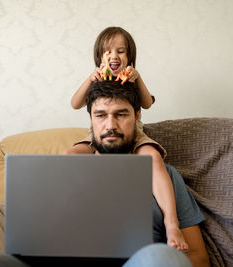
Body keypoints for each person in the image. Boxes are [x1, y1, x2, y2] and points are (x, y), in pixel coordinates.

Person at [0, 80, 210, 267]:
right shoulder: (53, 172)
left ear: (137, 116)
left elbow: (198, 258)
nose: (110, 125)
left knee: (163, 260)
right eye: (101, 115)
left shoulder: (165, 175)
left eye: (121, 114)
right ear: (90, 120)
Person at [65, 26, 188, 251]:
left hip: (134, 134)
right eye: (107, 52)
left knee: (152, 158)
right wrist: (89, 79)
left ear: (129, 56)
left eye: (120, 51)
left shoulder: (131, 77)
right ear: (99, 58)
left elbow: (147, 103)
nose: (114, 56)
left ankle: (171, 223)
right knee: (68, 157)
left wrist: (138, 77)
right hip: (96, 136)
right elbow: (75, 104)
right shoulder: (96, 78)